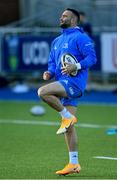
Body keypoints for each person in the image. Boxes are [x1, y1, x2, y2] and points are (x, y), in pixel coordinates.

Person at [38, 8, 97, 175]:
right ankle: (74, 164)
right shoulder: (57, 41)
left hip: (74, 83)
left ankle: (67, 116)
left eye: (64, 16)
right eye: (61, 15)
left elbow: (91, 58)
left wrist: (75, 66)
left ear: (73, 20)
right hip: (63, 82)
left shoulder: (81, 37)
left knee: (42, 92)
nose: (61, 17)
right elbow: (53, 63)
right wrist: (49, 72)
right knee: (69, 128)